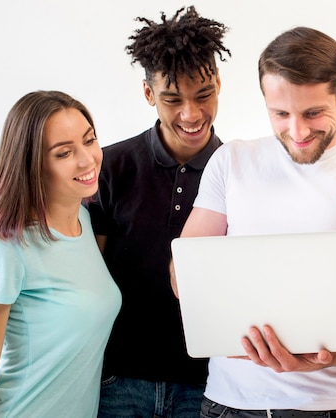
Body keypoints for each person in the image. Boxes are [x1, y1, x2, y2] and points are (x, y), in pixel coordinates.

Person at [177, 26, 336, 417]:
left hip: (333, 407)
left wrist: (322, 360)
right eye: (280, 114)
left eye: (313, 113)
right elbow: (184, 274)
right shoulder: (231, 160)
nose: (298, 131)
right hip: (230, 403)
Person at [85, 6, 230, 417]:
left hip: (205, 384)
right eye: (172, 99)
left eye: (203, 95)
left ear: (219, 83)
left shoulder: (239, 174)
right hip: (118, 381)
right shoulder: (106, 168)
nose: (191, 114)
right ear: (149, 94)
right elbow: (87, 277)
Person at [0, 90, 121, 416]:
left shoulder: (83, 218)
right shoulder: (8, 244)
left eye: (89, 140)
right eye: (64, 153)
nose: (86, 159)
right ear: (32, 163)